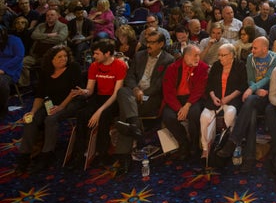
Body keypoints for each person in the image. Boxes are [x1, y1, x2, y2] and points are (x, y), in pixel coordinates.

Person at [113, 29, 174, 173]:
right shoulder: (139, 55)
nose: (148, 45)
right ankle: (135, 124)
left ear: (161, 44)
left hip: (151, 99)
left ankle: (124, 157)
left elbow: (160, 85)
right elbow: (130, 77)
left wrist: (143, 93)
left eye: (152, 43)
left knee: (124, 116)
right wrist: (135, 90)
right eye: (148, 42)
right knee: (123, 91)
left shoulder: (168, 59)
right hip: (134, 95)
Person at [216, 37, 276, 172]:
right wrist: (255, 89)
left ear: (265, 48)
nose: (252, 50)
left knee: (250, 102)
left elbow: (269, 77)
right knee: (251, 113)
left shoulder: (275, 59)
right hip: (255, 94)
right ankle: (248, 158)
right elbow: (250, 79)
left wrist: (253, 89)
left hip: (270, 95)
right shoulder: (251, 58)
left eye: (255, 48)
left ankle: (234, 142)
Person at [16, 46, 84, 172]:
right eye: (59, 57)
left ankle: (46, 154)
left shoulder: (73, 68)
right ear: (51, 60)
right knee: (31, 119)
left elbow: (75, 92)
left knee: (50, 119)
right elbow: (40, 95)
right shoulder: (45, 72)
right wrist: (33, 111)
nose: (63, 59)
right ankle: (25, 155)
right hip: (50, 104)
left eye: (65, 56)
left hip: (70, 102)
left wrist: (61, 107)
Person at [68, 39, 127, 168]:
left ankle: (103, 153)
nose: (94, 56)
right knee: (82, 115)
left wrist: (99, 111)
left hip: (113, 100)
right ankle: (79, 153)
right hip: (99, 97)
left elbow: (116, 94)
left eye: (97, 54)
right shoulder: (94, 66)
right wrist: (83, 92)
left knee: (104, 116)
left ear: (107, 54)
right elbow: (90, 90)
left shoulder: (119, 65)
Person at [199, 44, 247, 160]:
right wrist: (213, 96)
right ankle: (205, 148)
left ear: (231, 55)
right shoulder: (216, 65)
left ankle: (224, 143)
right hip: (215, 99)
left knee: (230, 113)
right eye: (219, 55)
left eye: (223, 55)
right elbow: (209, 84)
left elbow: (242, 86)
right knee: (204, 117)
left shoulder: (240, 66)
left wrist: (228, 98)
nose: (220, 58)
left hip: (232, 99)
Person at [162, 44, 209, 160]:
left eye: (198, 55)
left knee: (194, 114)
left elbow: (199, 90)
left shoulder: (202, 67)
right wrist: (179, 109)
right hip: (176, 99)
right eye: (195, 55)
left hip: (193, 99)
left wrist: (187, 105)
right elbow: (168, 91)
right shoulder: (172, 68)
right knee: (167, 116)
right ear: (186, 56)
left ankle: (194, 144)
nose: (198, 58)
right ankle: (183, 143)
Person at [0, 27, 24, 120]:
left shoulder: (15, 40)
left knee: (1, 83)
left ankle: (2, 110)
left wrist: (3, 69)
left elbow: (19, 57)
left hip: (11, 70)